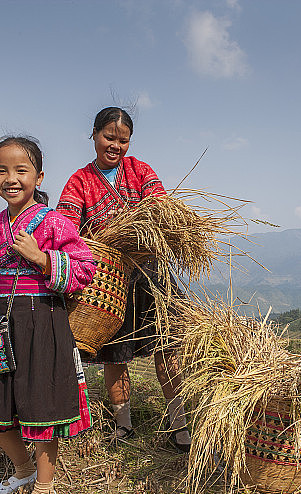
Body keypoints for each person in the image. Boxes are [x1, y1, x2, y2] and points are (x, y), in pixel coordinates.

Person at [0, 135, 96, 494]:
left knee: (41, 404)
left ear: (39, 175)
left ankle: (45, 491)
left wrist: (41, 258)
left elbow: (84, 270)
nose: (11, 178)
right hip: (1, 322)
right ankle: (22, 471)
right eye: (2, 170)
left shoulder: (54, 221)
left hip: (43, 321)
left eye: (21, 170)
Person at [57, 107, 191, 453]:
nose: (115, 146)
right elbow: (67, 227)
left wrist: (141, 231)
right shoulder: (79, 181)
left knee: (167, 347)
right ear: (94, 135)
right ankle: (123, 423)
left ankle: (180, 423)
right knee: (114, 353)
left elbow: (161, 209)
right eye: (109, 137)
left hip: (151, 273)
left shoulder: (140, 171)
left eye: (123, 140)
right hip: (108, 281)